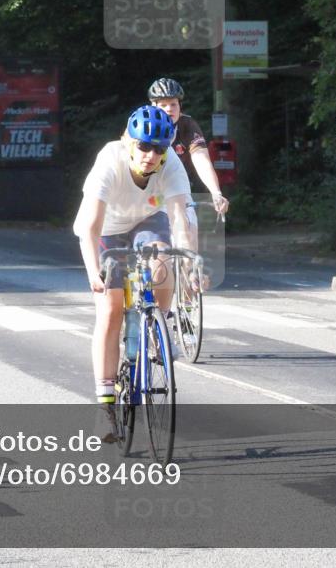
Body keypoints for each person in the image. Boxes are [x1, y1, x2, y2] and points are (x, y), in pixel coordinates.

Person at [73, 105, 190, 442]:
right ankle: (105, 407)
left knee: (163, 259)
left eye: (159, 149)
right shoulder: (109, 161)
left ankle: (160, 325)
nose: (151, 155)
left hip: (146, 221)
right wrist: (95, 271)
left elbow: (181, 216)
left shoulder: (171, 165)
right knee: (110, 311)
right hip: (106, 230)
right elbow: (92, 227)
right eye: (143, 146)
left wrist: (190, 262)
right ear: (128, 141)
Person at [147, 77, 230, 251]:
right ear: (153, 106)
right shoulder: (145, 125)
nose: (169, 109)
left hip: (179, 189)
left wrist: (216, 192)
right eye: (163, 105)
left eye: (173, 104)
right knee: (154, 248)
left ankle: (191, 276)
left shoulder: (187, 125)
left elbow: (201, 159)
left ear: (180, 106)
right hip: (149, 190)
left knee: (189, 239)